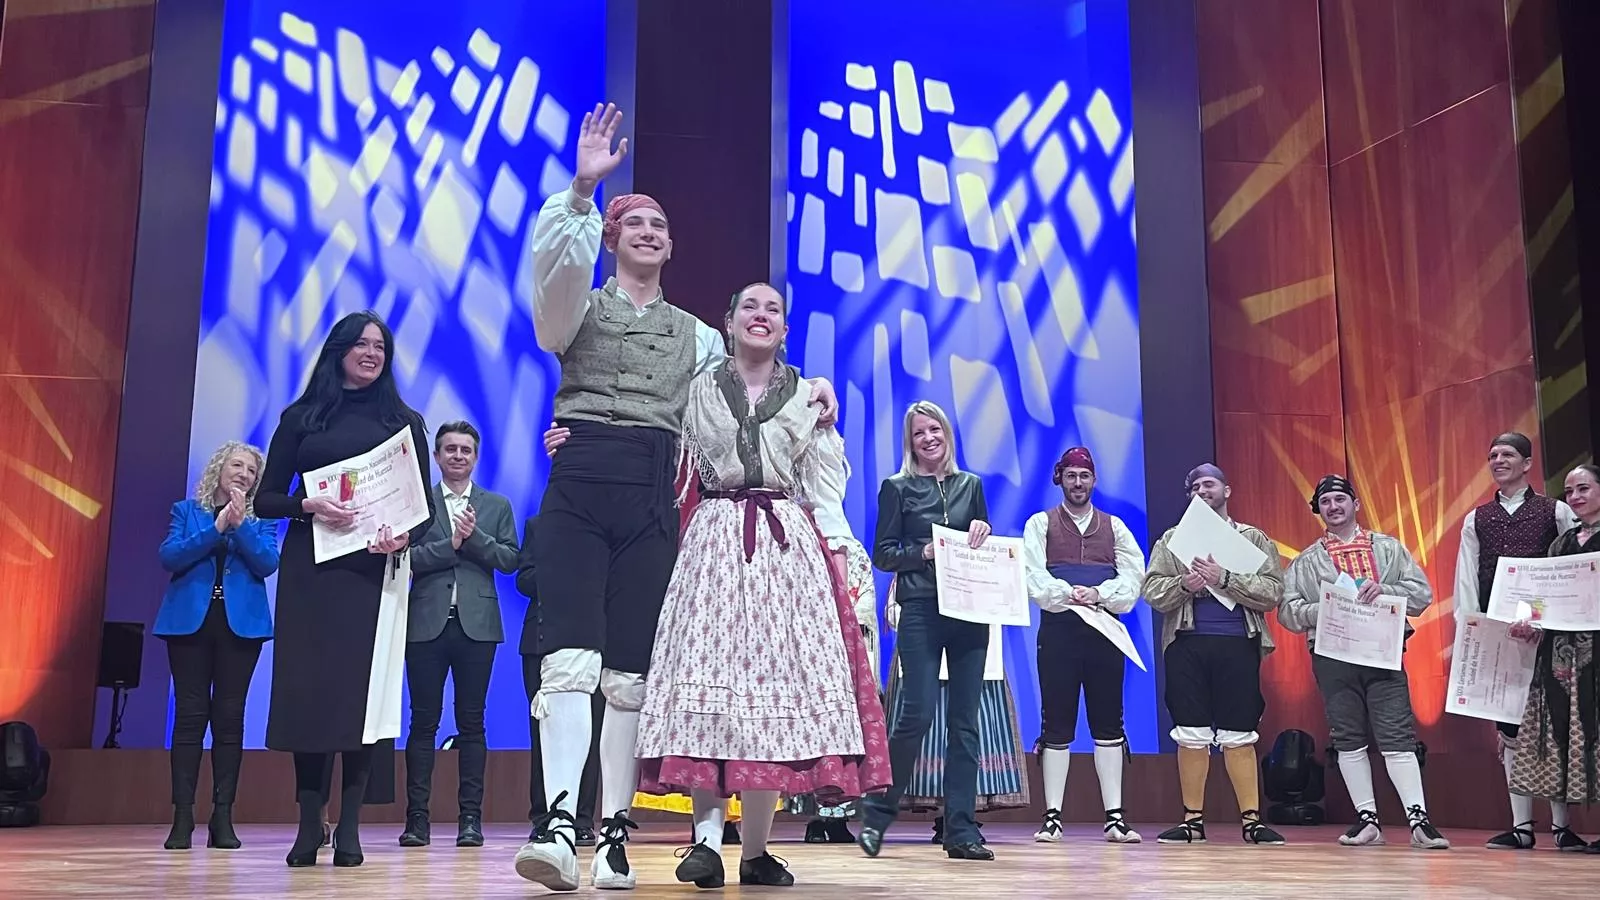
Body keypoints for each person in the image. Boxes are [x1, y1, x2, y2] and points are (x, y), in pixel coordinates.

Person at [513, 103, 836, 892]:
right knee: (568, 660)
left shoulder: (697, 336)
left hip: (653, 486)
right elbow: (551, 295)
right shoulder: (576, 305)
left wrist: (811, 394)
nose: (651, 232)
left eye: (661, 225)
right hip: (583, 477)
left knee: (630, 669)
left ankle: (615, 836)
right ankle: (560, 826)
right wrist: (583, 190)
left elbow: (740, 403)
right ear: (613, 237)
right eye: (637, 223)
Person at [635, 281, 890, 889]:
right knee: (711, 684)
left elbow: (826, 494)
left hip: (785, 549)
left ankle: (753, 851)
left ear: (784, 327)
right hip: (717, 539)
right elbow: (652, 440)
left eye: (772, 309)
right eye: (749, 306)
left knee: (770, 701)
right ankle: (703, 843)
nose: (760, 315)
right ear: (727, 322)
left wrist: (845, 565)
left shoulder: (807, 397)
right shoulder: (696, 387)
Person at [255, 310, 434, 868]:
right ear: (337, 351)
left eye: (380, 346)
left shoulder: (404, 423)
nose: (371, 353)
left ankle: (352, 827)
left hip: (372, 577)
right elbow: (266, 500)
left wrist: (400, 537)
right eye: (360, 344)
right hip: (311, 572)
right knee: (310, 698)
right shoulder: (302, 417)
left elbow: (425, 515)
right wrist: (307, 505)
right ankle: (311, 825)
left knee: (363, 701)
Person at [1278, 475, 1448, 849]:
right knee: (1347, 736)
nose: (1333, 507)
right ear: (1318, 510)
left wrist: (1384, 590)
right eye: (1326, 502)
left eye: (1340, 499)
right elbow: (1287, 613)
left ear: (1355, 505)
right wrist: (1324, 608)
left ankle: (1419, 821)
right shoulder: (1307, 561)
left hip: (1382, 652)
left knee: (1397, 735)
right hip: (1333, 655)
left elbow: (1422, 595)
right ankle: (1367, 819)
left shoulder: (1387, 548)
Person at [859, 400, 995, 861]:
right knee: (913, 715)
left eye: (934, 429)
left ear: (947, 433)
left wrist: (983, 530)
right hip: (921, 609)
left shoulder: (971, 485)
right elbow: (883, 553)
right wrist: (925, 552)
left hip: (970, 612)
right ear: (910, 441)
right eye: (919, 433)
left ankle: (961, 829)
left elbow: (982, 539)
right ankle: (877, 816)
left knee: (965, 722)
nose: (929, 438)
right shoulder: (896, 488)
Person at [1143, 463, 1287, 845]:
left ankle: (1251, 821)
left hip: (1238, 642)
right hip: (1187, 643)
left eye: (1209, 484)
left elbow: (1273, 591)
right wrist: (1185, 584)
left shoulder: (1253, 538)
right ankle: (1192, 821)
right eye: (1195, 486)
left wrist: (1224, 578)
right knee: (1190, 730)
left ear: (1227, 490)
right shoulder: (1172, 540)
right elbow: (1152, 592)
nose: (1202, 490)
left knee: (1240, 730)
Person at [1451, 432, 1581, 849]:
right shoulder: (1476, 519)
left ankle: (1562, 827)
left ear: (1527, 464)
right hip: (1500, 634)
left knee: (1555, 724)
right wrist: (1472, 627)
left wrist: (1553, 622)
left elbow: (1571, 569)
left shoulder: (1556, 511)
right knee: (1510, 727)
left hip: (1550, 636)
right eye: (1492, 455)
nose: (1498, 460)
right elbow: (1466, 577)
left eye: (1507, 454)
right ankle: (1521, 826)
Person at [400, 421, 519, 848]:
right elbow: (404, 558)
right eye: (449, 449)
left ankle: (471, 820)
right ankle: (417, 820)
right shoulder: (416, 503)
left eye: (465, 449)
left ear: (475, 456)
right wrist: (449, 544)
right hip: (425, 624)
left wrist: (474, 539)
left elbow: (509, 559)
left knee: (472, 723)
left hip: (478, 626)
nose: (457, 456)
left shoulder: (496, 504)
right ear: (436, 456)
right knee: (422, 723)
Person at [154, 440, 277, 851]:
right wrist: (218, 527)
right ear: (219, 470)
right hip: (189, 625)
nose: (243, 474)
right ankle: (182, 817)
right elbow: (171, 556)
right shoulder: (186, 512)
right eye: (237, 466)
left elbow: (266, 563)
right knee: (190, 718)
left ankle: (222, 817)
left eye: (251, 472)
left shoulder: (261, 520)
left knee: (229, 718)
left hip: (240, 629)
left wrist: (240, 525)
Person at [1022, 446, 1146, 844]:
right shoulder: (1041, 524)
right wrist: (1067, 594)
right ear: (1060, 478)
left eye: (1085, 475)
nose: (1078, 482)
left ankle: (1114, 817)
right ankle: (1052, 816)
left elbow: (1133, 579)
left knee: (1109, 723)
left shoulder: (1115, 527)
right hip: (1058, 635)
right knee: (1055, 724)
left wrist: (1099, 594)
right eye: (1072, 475)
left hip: (1104, 635)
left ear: (1094, 480)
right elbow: (1032, 577)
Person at [1506, 463, 1600, 849]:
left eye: (1584, 489)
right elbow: (1546, 603)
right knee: (1566, 730)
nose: (1575, 497)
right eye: (1570, 492)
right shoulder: (1560, 546)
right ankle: (1562, 828)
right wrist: (1530, 623)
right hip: (1562, 659)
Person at [881, 608, 1030, 845]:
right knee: (922, 715)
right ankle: (945, 813)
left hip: (970, 619)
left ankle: (960, 815)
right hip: (925, 621)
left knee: (969, 719)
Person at [515, 514, 604, 847]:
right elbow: (524, 579)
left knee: (590, 730)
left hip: (591, 638)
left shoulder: (603, 527)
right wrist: (562, 571)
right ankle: (544, 816)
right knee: (543, 732)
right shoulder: (539, 525)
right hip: (540, 639)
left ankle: (582, 819)